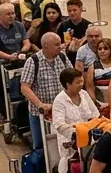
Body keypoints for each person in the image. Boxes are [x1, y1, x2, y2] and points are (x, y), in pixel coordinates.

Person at [19, 32, 74, 160]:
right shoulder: (33, 62)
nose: (60, 46)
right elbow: (25, 87)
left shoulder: (63, 57)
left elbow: (72, 77)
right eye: (56, 44)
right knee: (40, 145)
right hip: (40, 113)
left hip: (62, 111)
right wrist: (40, 104)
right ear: (45, 46)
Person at [51, 66, 100, 173]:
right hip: (71, 144)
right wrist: (79, 131)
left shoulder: (84, 94)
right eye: (77, 82)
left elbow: (95, 114)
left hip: (91, 139)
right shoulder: (59, 100)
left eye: (82, 81)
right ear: (67, 84)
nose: (81, 84)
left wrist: (92, 127)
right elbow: (59, 125)